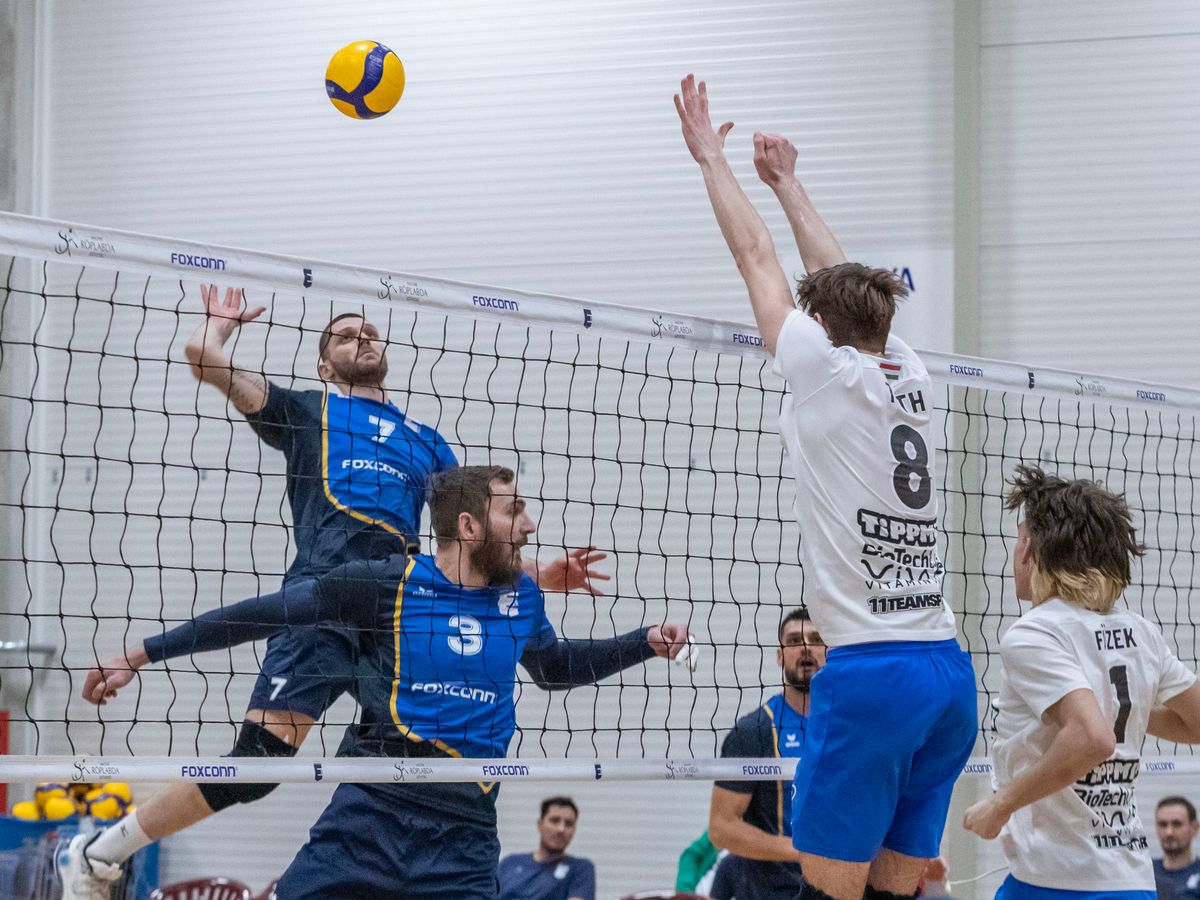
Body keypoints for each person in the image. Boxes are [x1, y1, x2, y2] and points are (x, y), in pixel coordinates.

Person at [56, 287, 608, 897]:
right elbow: (211, 365)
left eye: (369, 331)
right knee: (255, 767)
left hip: (395, 617)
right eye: (344, 336)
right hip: (326, 606)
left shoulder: (426, 441)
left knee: (400, 755)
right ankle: (100, 852)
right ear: (324, 365)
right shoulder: (308, 410)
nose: (362, 337)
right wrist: (214, 333)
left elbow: (467, 540)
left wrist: (537, 573)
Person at [77, 465, 691, 899]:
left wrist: (642, 642)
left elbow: (553, 669)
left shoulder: (521, 597)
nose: (530, 525)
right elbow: (261, 614)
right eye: (514, 509)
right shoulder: (386, 584)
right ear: (470, 526)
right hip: (373, 810)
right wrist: (143, 653)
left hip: (465, 832)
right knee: (256, 766)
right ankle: (99, 853)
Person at [674, 74, 977, 900]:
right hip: (949, 671)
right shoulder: (909, 369)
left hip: (873, 673)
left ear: (820, 328)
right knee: (895, 885)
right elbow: (840, 278)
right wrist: (789, 183)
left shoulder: (824, 371)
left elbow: (758, 258)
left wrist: (712, 161)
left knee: (825, 880)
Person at [963, 465, 1200, 899]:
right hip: (1126, 880)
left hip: (1059, 881)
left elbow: (1093, 739)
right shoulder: (1141, 632)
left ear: (1033, 549)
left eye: (1019, 539)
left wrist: (1000, 805)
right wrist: (1122, 708)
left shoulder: (1036, 632)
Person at [709, 607, 827, 898]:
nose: (805, 648)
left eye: (815, 639)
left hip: (841, 886)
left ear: (830, 652)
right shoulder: (754, 730)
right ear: (779, 656)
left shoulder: (850, 729)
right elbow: (721, 828)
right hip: (776, 890)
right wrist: (799, 851)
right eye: (794, 641)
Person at [497, 796, 596, 900]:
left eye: (569, 824)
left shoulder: (580, 869)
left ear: (574, 830)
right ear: (540, 824)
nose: (561, 829)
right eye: (554, 821)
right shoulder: (509, 863)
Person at [1155, 797, 1200, 899]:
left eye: (1177, 824)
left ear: (1194, 828)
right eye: (1163, 824)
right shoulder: (1144, 873)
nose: (1169, 832)